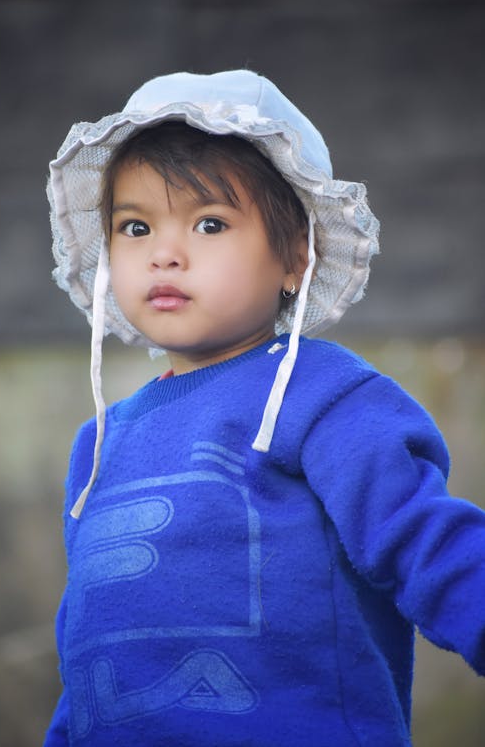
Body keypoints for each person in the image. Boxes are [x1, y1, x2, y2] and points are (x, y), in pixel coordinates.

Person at [44, 69, 485, 747]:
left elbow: (430, 544)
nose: (163, 254)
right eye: (134, 227)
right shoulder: (99, 442)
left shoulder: (323, 395)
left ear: (295, 259)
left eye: (210, 223)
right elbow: (86, 649)